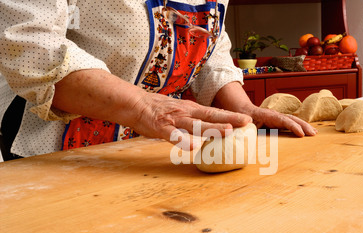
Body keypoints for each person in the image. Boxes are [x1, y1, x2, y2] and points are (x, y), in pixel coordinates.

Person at [0, 0, 317, 160]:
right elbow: (28, 43)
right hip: (55, 149)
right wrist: (142, 107)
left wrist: (244, 110)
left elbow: (211, 42)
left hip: (149, 155)